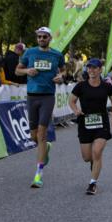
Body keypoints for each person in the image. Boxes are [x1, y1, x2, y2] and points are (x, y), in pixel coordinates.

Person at [16, 26, 65, 188]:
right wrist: (27, 71)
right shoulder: (29, 52)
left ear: (50, 38)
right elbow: (17, 71)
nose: (42, 39)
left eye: (45, 37)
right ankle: (46, 149)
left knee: (42, 134)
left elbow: (63, 72)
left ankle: (38, 174)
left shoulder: (57, 54)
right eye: (39, 37)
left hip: (47, 97)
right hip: (32, 96)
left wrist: (60, 77)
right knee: (33, 136)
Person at [69, 58, 112, 195]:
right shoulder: (81, 86)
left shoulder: (106, 86)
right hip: (84, 123)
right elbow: (72, 101)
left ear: (100, 70)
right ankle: (94, 164)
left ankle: (92, 183)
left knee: (97, 152)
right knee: (87, 157)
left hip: (101, 124)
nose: (91, 70)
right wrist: (76, 110)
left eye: (94, 68)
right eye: (89, 68)